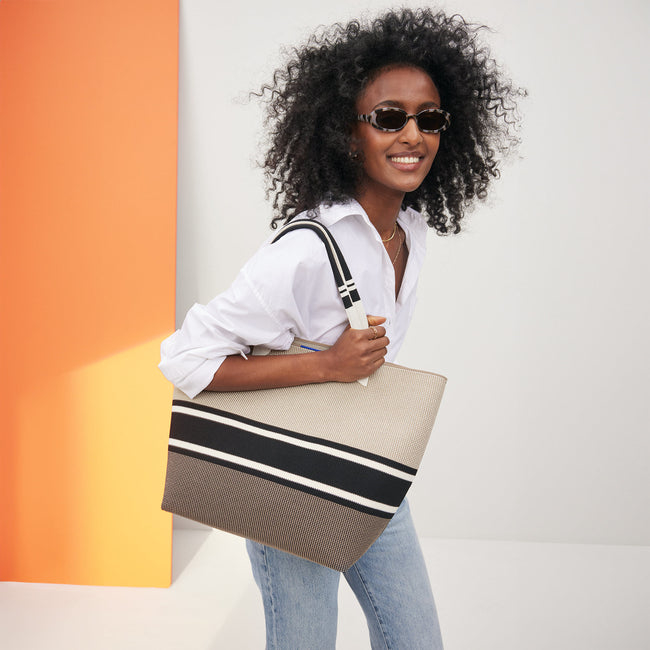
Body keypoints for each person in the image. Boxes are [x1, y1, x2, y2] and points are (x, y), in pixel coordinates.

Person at [160, 8, 523, 649]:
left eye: (429, 118)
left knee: (416, 640)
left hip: (365, 467)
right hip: (287, 477)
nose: (412, 134)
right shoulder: (303, 251)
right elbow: (185, 358)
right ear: (347, 133)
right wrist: (323, 365)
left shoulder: (410, 231)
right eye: (388, 117)